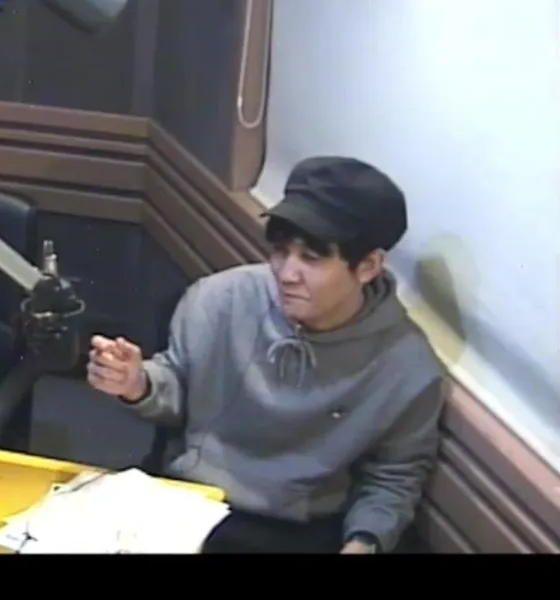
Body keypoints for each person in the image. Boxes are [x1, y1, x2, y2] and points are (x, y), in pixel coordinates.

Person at [87, 156, 445, 554]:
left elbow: (393, 478)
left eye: (311, 259)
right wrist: (137, 382)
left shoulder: (407, 367)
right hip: (190, 501)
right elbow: (180, 389)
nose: (286, 273)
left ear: (367, 266)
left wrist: (364, 543)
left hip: (300, 531)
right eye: (280, 251)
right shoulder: (220, 299)